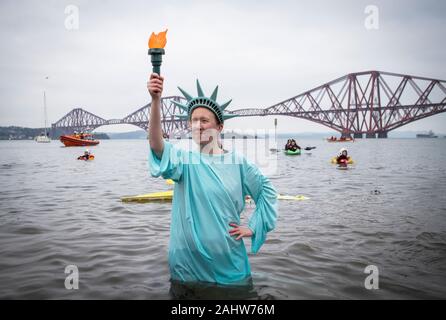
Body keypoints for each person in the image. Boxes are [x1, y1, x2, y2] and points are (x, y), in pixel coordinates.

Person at [147, 73, 278, 285]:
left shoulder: (239, 163)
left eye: (204, 120)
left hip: (228, 262)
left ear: (219, 127)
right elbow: (156, 145)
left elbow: (266, 192)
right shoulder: (183, 160)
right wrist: (155, 101)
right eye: (194, 120)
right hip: (186, 264)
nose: (198, 125)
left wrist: (253, 226)